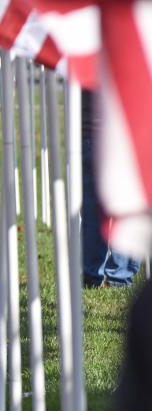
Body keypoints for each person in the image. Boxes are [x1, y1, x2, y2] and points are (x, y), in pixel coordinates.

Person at [81, 89, 141, 288]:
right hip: (129, 131)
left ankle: (91, 274)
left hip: (91, 132)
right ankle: (120, 276)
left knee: (92, 210)